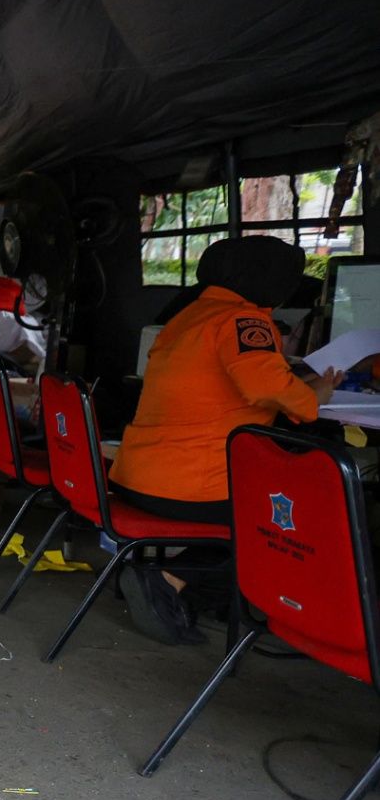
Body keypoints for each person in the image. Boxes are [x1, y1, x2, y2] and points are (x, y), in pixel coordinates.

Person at [109, 236, 340, 642]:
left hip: (138, 474)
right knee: (288, 525)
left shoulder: (190, 315)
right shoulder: (243, 320)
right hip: (190, 483)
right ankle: (169, 580)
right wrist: (313, 397)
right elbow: (264, 386)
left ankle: (183, 590)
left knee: (258, 513)